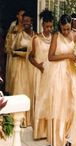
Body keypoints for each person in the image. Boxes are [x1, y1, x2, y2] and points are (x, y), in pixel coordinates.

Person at [46, 14, 76, 146]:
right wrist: (68, 56)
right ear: (60, 27)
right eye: (64, 29)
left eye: (68, 29)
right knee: (59, 107)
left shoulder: (74, 35)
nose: (66, 32)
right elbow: (50, 57)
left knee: (71, 106)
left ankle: (67, 136)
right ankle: (59, 142)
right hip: (58, 74)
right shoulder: (56, 36)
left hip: (71, 73)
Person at [28, 9, 54, 139]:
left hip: (52, 75)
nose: (49, 29)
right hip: (40, 73)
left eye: (51, 26)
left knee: (49, 101)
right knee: (40, 100)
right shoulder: (36, 39)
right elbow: (30, 57)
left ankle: (48, 131)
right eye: (47, 26)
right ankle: (38, 132)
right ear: (43, 25)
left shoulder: (55, 39)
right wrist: (39, 67)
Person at [11, 11, 35, 127]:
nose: (25, 23)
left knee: (31, 91)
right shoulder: (19, 35)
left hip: (32, 66)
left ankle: (30, 118)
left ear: (31, 22)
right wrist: (23, 53)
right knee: (21, 89)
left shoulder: (36, 36)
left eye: (27, 21)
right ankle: (20, 119)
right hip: (21, 67)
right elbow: (12, 51)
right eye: (24, 21)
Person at [4, 7, 25, 94]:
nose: (23, 17)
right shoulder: (14, 26)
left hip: (23, 57)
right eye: (21, 15)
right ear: (17, 16)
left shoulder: (26, 26)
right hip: (14, 56)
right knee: (14, 77)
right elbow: (8, 42)